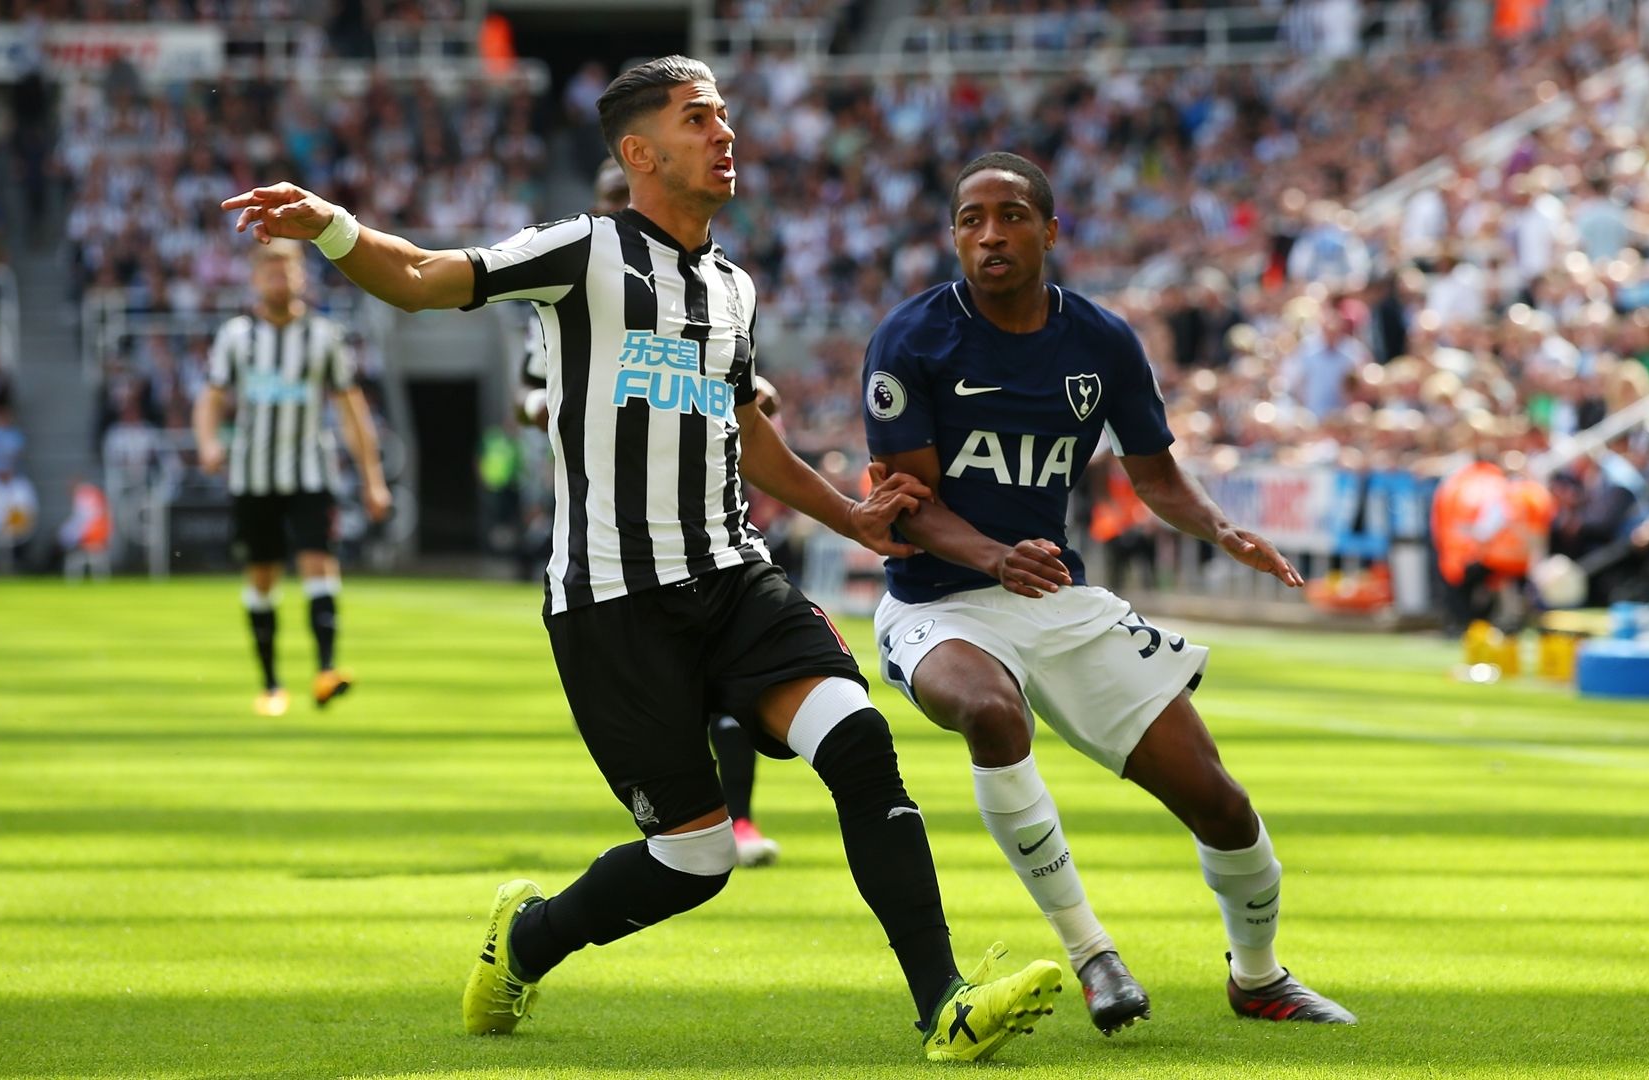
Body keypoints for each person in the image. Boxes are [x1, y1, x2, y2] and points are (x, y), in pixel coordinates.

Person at [221, 56, 1063, 1062]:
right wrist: (330, 226)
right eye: (697, 118)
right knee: (696, 858)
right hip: (612, 601)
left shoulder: (733, 287)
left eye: (723, 115)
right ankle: (526, 942)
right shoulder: (583, 253)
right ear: (639, 152)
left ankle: (945, 1005)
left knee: (858, 740)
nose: (725, 133)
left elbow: (747, 435)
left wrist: (851, 516)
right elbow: (418, 278)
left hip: (734, 574)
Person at [863, 152, 1357, 1034]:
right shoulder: (911, 339)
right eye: (970, 220)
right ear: (954, 239)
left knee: (1220, 801)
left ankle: (1259, 976)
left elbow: (1156, 475)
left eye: (1010, 216)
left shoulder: (1101, 341)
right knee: (989, 709)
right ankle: (1093, 955)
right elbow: (908, 507)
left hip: (1055, 599)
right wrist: (994, 555)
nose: (989, 235)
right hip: (940, 603)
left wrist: (1219, 528)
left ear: (1050, 232)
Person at [519, 156, 780, 868]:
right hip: (612, 518)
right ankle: (695, 827)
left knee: (728, 679)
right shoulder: (570, 280)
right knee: (680, 691)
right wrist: (556, 401)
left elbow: (734, 381)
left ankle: (742, 820)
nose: (615, 207)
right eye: (605, 197)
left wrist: (757, 401)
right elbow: (527, 392)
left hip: (704, 515)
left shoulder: (715, 284)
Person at [191, 241, 393, 717]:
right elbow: (211, 398)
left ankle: (326, 670)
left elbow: (350, 409)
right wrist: (207, 443)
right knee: (262, 575)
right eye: (269, 272)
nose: (278, 280)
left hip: (310, 470)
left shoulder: (325, 336)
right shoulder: (236, 337)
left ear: (301, 277)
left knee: (319, 563)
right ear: (255, 279)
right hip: (252, 474)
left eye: (287, 271)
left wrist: (373, 478)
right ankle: (270, 684)